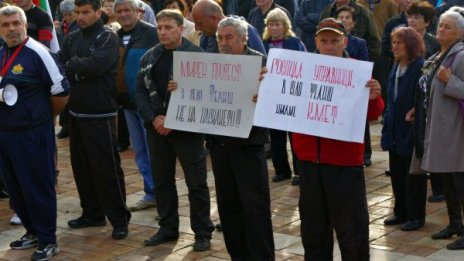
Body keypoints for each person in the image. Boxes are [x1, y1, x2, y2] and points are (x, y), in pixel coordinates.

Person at [293, 18, 384, 260]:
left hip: (345, 164)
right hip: (309, 162)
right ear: (316, 42)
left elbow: (373, 115)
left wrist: (374, 96)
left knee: (351, 230)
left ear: (345, 41)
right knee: (313, 231)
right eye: (324, 41)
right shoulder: (301, 69)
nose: (329, 45)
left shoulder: (358, 70)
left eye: (334, 40)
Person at [135, 9, 214, 251]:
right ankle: (168, 227)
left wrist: (174, 117)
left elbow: (207, 94)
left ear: (181, 29)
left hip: (187, 131)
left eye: (168, 27)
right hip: (157, 130)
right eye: (159, 27)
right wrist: (154, 119)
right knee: (162, 181)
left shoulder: (196, 55)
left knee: (196, 182)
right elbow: (138, 92)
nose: (162, 32)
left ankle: (202, 231)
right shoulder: (150, 56)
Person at [0, 5, 69, 260]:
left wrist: (42, 118)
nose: (11, 29)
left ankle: (48, 239)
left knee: (38, 186)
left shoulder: (38, 53)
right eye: (5, 25)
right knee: (16, 188)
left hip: (33, 134)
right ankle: (32, 231)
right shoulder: (1, 53)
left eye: (16, 23)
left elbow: (61, 92)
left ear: (25, 24)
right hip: (5, 135)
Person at [60, 0, 131, 240]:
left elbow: (98, 65)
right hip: (76, 112)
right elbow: (62, 63)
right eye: (77, 12)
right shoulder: (72, 37)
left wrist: (77, 68)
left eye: (85, 12)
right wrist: (80, 68)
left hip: (100, 113)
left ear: (98, 12)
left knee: (107, 169)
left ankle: (120, 219)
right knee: (82, 168)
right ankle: (92, 213)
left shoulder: (107, 37)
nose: (80, 16)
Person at [210, 16, 275, 260]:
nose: (223, 43)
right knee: (228, 210)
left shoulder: (260, 62)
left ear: (243, 39)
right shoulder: (211, 63)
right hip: (220, 146)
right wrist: (180, 88)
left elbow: (276, 104)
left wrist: (265, 94)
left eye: (229, 38)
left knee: (254, 209)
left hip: (249, 147)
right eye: (219, 38)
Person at [409, 6, 464, 250]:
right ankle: (455, 223)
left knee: (460, 181)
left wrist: (449, 81)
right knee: (446, 178)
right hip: (440, 128)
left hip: (456, 130)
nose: (441, 29)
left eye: (448, 26)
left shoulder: (461, 55)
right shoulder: (440, 54)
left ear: (461, 33)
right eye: (441, 25)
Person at [381, 27, 428, 231]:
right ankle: (401, 212)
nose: (395, 47)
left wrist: (416, 109)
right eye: (393, 43)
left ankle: (416, 216)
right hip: (394, 127)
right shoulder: (395, 65)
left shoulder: (419, 66)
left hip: (411, 128)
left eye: (399, 43)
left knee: (413, 175)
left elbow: (427, 96)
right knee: (397, 173)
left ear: (410, 44)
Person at [114, 0, 159, 211]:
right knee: (139, 151)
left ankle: (162, 195)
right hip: (127, 103)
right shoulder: (114, 36)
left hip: (148, 104)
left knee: (154, 151)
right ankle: (151, 192)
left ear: (138, 12)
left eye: (127, 10)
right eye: (119, 11)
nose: (123, 15)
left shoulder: (151, 33)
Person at [405, 0, 444, 203]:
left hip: (426, 99)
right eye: (410, 17)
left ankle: (439, 187)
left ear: (427, 22)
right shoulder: (403, 39)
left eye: (417, 17)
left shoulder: (433, 43)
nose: (411, 20)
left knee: (429, 142)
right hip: (408, 96)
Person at [262, 8, 304, 184]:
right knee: (277, 136)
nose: (274, 27)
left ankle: (299, 172)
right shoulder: (263, 44)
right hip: (272, 95)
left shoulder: (295, 42)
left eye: (277, 24)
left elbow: (305, 63)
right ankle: (282, 171)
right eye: (271, 24)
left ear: (285, 25)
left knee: (295, 136)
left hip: (292, 94)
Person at [192, 0, 266, 54]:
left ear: (213, 18)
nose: (196, 28)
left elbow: (260, 63)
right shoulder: (205, 38)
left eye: (200, 23)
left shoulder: (246, 31)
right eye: (220, 38)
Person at [55, 0, 79, 140]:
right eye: (65, 15)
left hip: (72, 64)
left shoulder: (77, 28)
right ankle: (65, 125)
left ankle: (70, 126)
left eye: (70, 14)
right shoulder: (61, 26)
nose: (67, 17)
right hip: (63, 64)